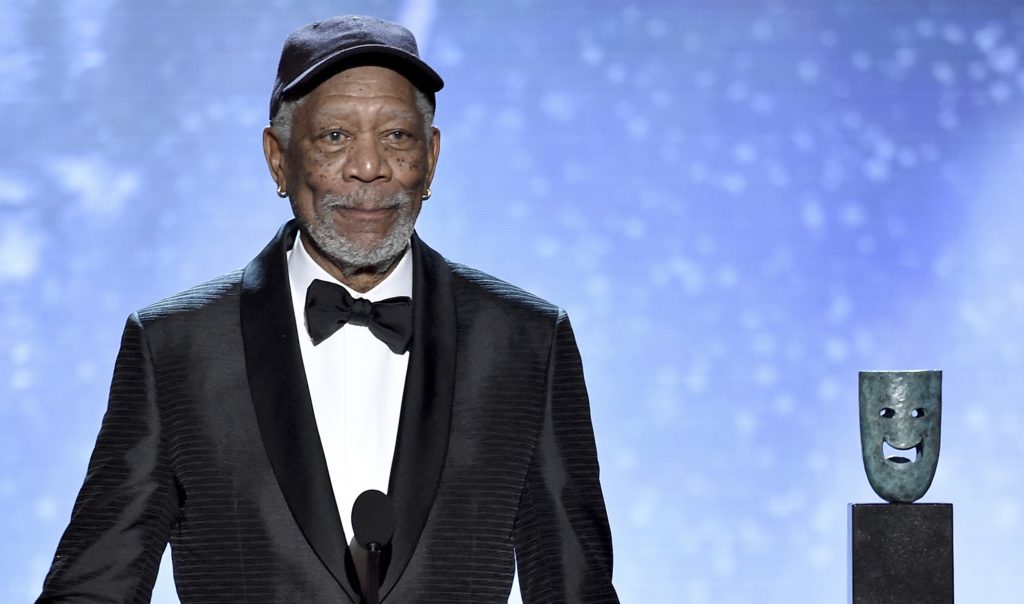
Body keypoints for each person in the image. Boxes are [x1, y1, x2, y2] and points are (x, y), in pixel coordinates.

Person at [37, 15, 617, 603]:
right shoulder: (175, 348)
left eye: (397, 136)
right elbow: (93, 586)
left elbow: (576, 587)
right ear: (278, 159)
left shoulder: (526, 342)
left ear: (432, 158)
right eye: (335, 136)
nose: (369, 167)